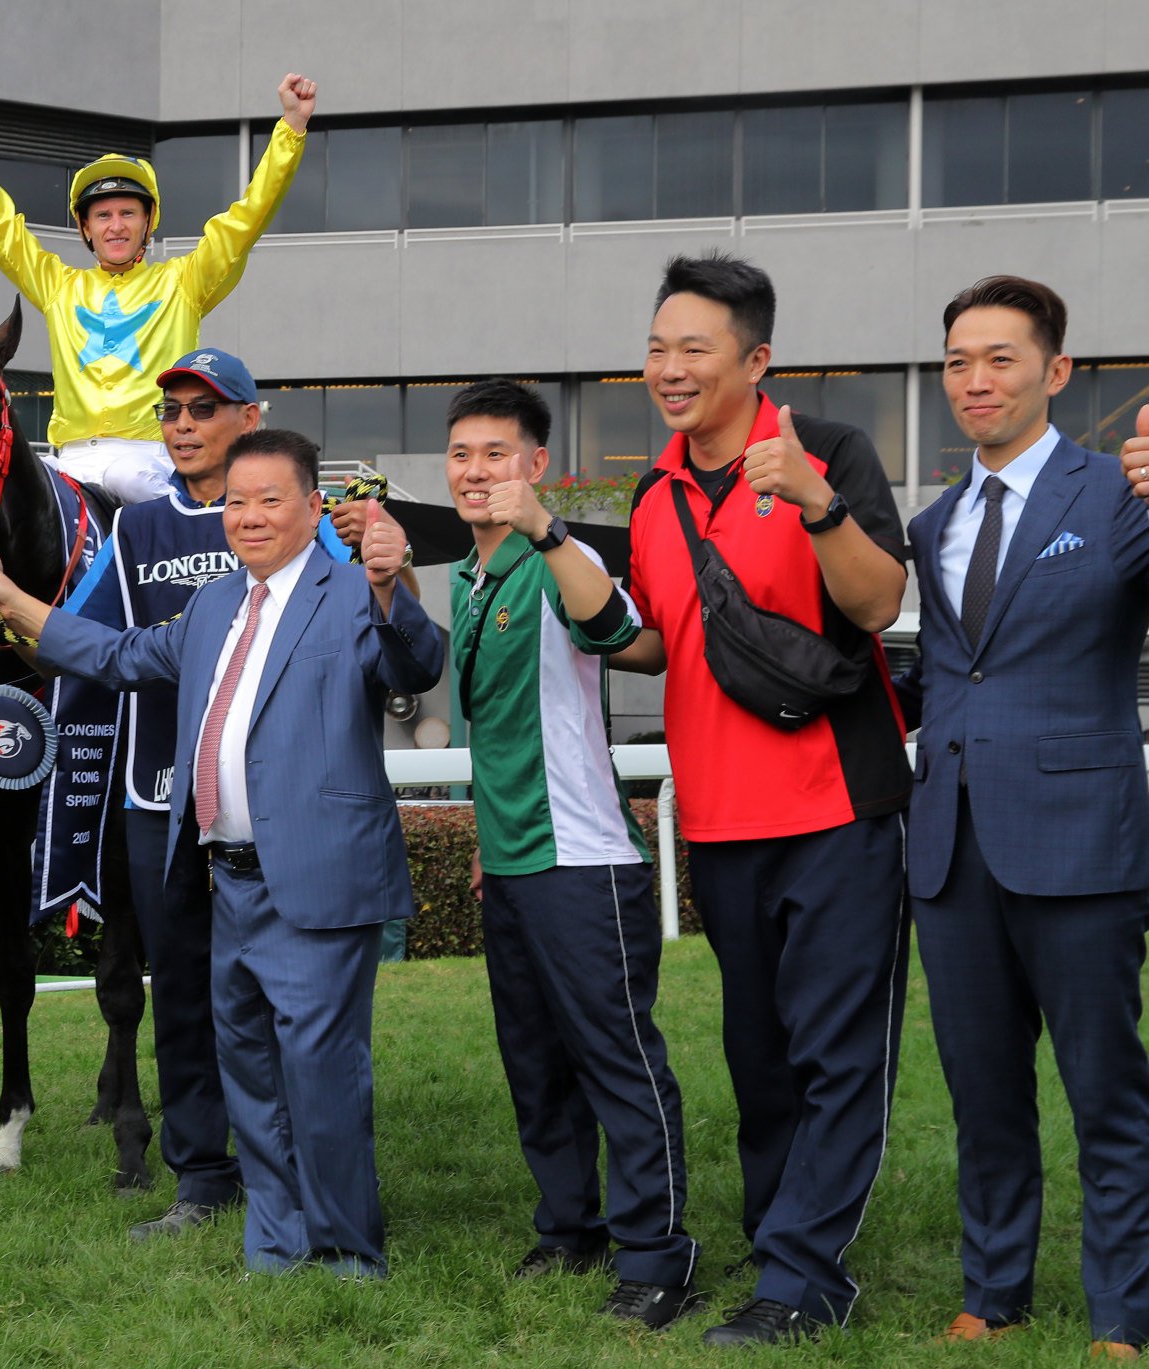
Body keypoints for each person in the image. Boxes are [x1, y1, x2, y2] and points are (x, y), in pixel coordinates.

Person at [0, 429, 443, 1278]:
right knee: (250, 1070)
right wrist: (5, 593)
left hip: (319, 877)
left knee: (321, 1074)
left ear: (310, 507)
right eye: (236, 502)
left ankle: (343, 1249)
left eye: (269, 500)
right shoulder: (218, 603)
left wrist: (389, 580)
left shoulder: (347, 591)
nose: (248, 517)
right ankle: (276, 1236)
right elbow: (110, 654)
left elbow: (415, 659)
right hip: (224, 878)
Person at [614, 252, 910, 1345]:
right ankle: (784, 1233)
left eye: (694, 347)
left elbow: (878, 602)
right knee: (760, 1056)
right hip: (720, 821)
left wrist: (818, 505)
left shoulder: (826, 452)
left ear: (755, 358)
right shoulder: (651, 494)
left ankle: (802, 1277)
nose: (668, 368)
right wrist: (553, 561)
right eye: (655, 347)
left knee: (838, 1054)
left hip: (837, 809)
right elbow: (661, 639)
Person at [900, 277, 1149, 1357]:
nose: (975, 379)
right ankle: (993, 1289)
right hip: (950, 849)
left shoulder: (1117, 496)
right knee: (983, 1092)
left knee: (1106, 1092)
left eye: (998, 358)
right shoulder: (932, 522)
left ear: (1053, 372)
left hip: (1082, 843)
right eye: (958, 361)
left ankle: (1124, 1309)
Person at [56, 348, 347, 1241]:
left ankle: (298, 1165)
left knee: (285, 994)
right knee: (179, 987)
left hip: (276, 803)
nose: (182, 424)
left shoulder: (297, 521)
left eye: (203, 408)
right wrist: (2, 600)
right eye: (171, 410)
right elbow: (89, 638)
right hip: (161, 802)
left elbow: (356, 611)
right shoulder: (138, 529)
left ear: (248, 418)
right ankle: (202, 1173)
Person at [442, 380, 698, 1326]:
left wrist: (548, 529)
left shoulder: (561, 556)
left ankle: (658, 1252)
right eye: (463, 454)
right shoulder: (468, 580)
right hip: (510, 865)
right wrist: (481, 837)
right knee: (536, 1066)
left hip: (584, 861)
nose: (477, 471)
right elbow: (499, 733)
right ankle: (568, 1228)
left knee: (618, 1061)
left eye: (497, 454)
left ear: (535, 464)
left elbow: (624, 637)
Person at [0, 73, 317, 504]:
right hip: (66, 460)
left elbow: (248, 218)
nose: (116, 226)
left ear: (148, 222)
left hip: (148, 461)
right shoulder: (58, 285)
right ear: (86, 228)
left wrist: (291, 127)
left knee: (131, 481)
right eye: (103, 215)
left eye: (128, 213)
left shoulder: (184, 281)